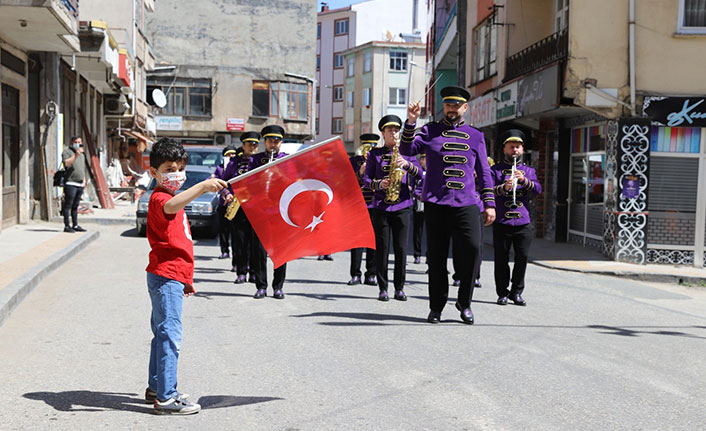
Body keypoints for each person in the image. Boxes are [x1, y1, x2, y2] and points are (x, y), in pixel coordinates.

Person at [400, 86, 496, 324]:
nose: (451, 109)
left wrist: (490, 204)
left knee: (473, 251)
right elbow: (407, 150)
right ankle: (436, 306)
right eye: (448, 105)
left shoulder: (476, 136)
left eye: (456, 105)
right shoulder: (430, 130)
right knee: (437, 258)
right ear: (444, 106)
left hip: (466, 204)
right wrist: (411, 122)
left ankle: (465, 303)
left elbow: (484, 172)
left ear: (465, 107)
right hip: (436, 203)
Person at [145, 138, 227, 415]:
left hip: (170, 277)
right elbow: (170, 207)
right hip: (165, 277)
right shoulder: (160, 198)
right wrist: (203, 186)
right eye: (169, 168)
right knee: (169, 337)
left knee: (161, 335)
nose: (177, 174)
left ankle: (157, 387)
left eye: (181, 168)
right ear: (154, 172)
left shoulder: (171, 198)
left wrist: (185, 280)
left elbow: (179, 243)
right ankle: (167, 397)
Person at [363, 115, 422, 301]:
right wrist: (380, 184)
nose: (394, 133)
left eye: (397, 130)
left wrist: (408, 165)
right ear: (383, 133)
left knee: (401, 248)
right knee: (382, 248)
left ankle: (400, 287)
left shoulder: (409, 153)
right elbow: (366, 181)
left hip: (403, 205)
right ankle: (383, 287)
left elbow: (421, 174)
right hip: (381, 206)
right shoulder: (375, 154)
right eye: (390, 130)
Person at [491, 129, 542, 306]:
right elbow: (487, 191)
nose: (515, 150)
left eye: (518, 147)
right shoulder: (495, 170)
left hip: (523, 222)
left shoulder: (528, 171)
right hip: (502, 221)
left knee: (522, 258)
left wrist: (524, 181)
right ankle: (502, 293)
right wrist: (504, 188)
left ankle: (517, 292)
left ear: (522, 149)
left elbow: (537, 190)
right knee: (501, 259)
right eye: (511, 147)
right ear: (504, 148)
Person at [248, 125, 289, 299]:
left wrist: (279, 175)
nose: (273, 144)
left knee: (281, 251)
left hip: (280, 211)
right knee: (258, 252)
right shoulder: (255, 160)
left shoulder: (288, 159)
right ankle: (261, 286)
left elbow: (294, 181)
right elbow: (247, 182)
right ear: (264, 142)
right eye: (270, 141)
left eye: (277, 141)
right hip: (261, 211)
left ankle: (278, 286)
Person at [222, 132, 260, 284]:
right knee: (240, 241)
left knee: (254, 243)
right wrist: (226, 193)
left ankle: (254, 272)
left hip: (257, 207)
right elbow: (224, 182)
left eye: (255, 144)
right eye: (249, 144)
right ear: (243, 145)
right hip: (238, 207)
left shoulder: (262, 160)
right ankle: (241, 272)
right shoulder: (233, 163)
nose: (252, 147)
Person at [348, 135, 378, 286]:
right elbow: (348, 183)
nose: (368, 150)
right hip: (358, 205)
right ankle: (355, 274)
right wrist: (360, 172)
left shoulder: (379, 159)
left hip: (374, 204)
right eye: (366, 146)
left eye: (371, 146)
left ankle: (371, 274)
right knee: (357, 241)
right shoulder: (353, 162)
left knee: (373, 241)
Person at [214, 145, 238, 263]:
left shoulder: (236, 167)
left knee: (235, 232)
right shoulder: (219, 168)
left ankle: (237, 257)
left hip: (236, 203)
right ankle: (224, 250)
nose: (231, 156)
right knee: (223, 230)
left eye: (233, 154)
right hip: (224, 203)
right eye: (228, 154)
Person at [61, 136, 87, 233]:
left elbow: (82, 168)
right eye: (75, 142)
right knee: (68, 205)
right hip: (70, 182)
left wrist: (84, 179)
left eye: (79, 142)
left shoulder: (82, 154)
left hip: (79, 183)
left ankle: (75, 224)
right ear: (72, 143)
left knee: (75, 206)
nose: (77, 143)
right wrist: (75, 155)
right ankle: (67, 225)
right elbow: (66, 163)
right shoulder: (67, 152)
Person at [411, 153, 427, 265]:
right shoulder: (417, 172)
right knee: (418, 231)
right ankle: (417, 254)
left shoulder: (435, 171)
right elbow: (413, 186)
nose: (423, 161)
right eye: (422, 159)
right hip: (419, 204)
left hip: (431, 205)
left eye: (425, 158)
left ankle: (430, 258)